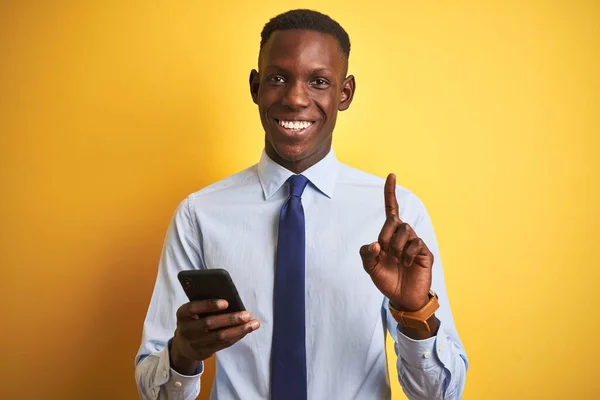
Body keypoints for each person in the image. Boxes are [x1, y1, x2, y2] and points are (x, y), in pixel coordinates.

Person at [135, 8, 468, 400]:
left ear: (344, 93)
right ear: (255, 87)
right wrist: (183, 356)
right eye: (278, 78)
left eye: (319, 81)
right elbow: (152, 389)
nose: (295, 99)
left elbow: (441, 396)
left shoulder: (397, 219)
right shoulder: (199, 215)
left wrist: (416, 315)